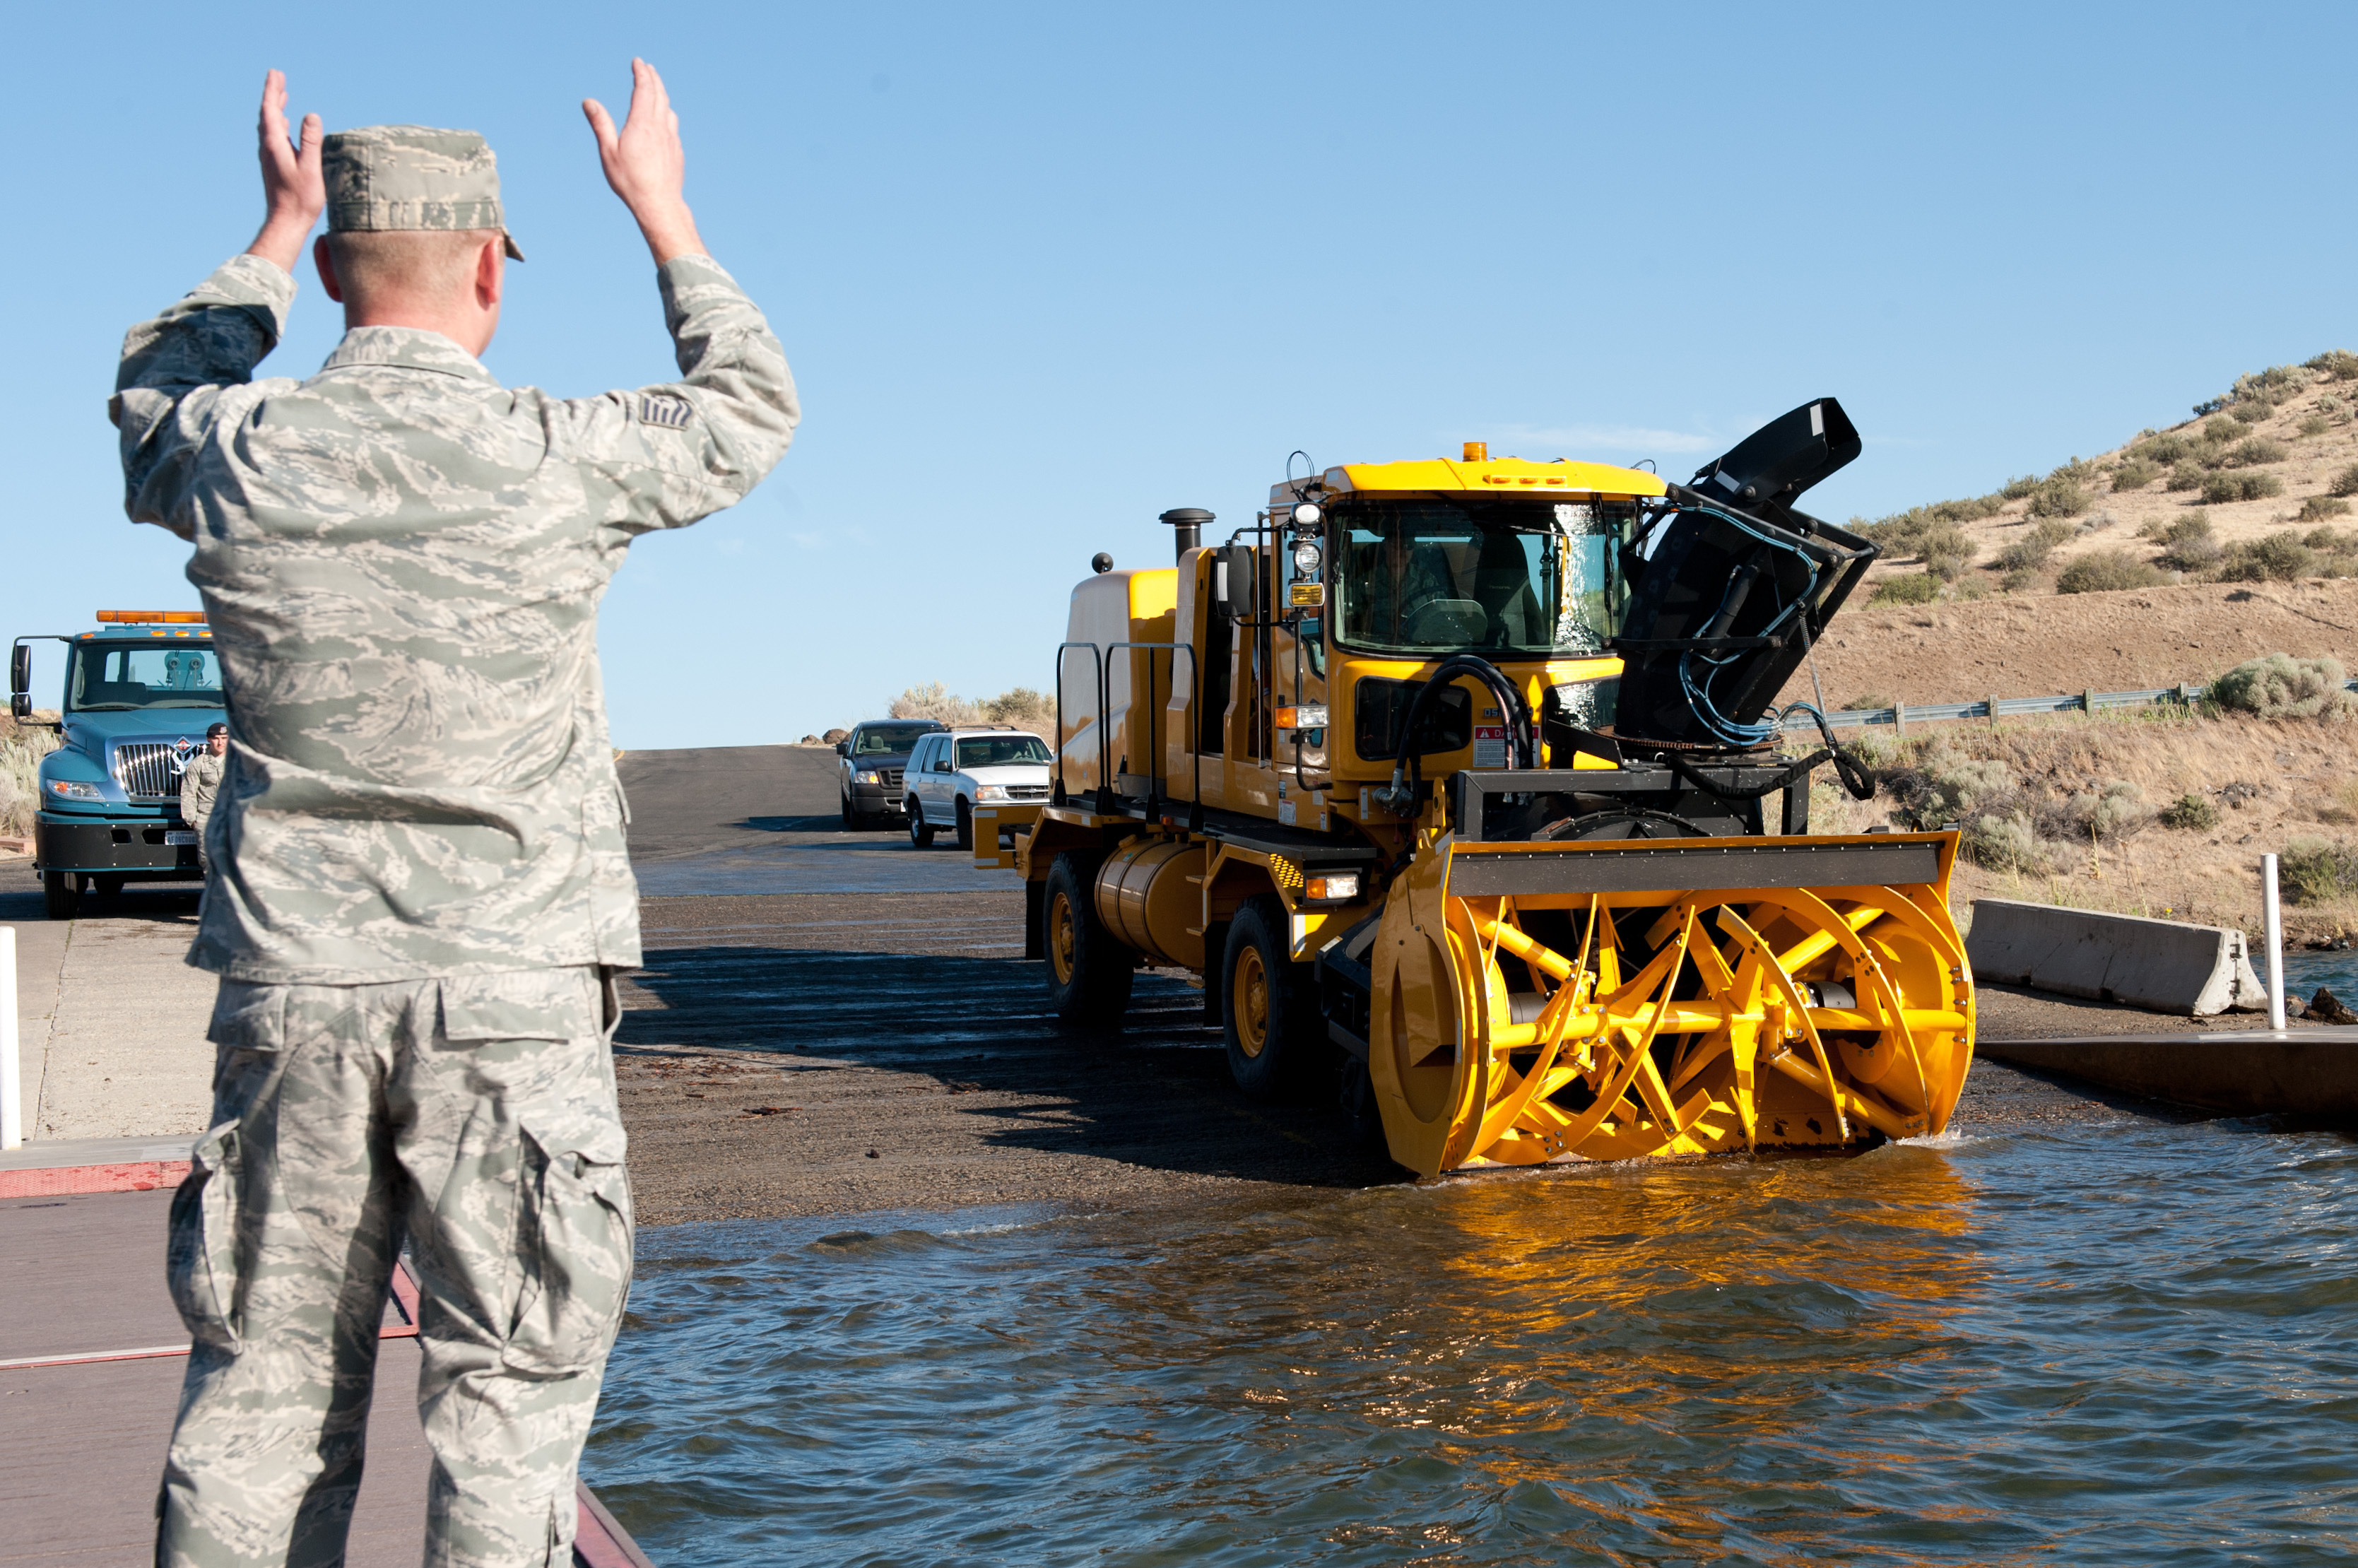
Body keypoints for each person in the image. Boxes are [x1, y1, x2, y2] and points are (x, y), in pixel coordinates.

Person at [112, 61, 797, 1567]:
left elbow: (152, 388)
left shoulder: (234, 449)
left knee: (264, 1397)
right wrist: (663, 212)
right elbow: (747, 411)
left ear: (342, 270)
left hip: (296, 990)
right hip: (512, 994)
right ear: (490, 265)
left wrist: (267, 241)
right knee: (507, 1401)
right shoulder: (556, 450)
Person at [178, 721, 229, 876]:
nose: (220, 742)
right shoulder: (198, 764)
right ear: (208, 740)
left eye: (224, 738)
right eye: (216, 738)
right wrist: (192, 820)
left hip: (232, 816)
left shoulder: (238, 763)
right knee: (208, 861)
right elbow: (188, 792)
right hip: (207, 817)